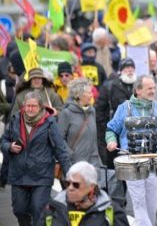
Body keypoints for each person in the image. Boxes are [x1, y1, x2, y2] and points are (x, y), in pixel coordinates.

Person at [106, 76, 157, 226]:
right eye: (149, 88)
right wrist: (111, 141)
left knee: (152, 204)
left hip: (155, 161)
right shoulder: (124, 108)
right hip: (132, 161)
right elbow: (111, 129)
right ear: (138, 90)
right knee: (138, 202)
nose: (153, 91)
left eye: (153, 88)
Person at [1, 91, 72, 226]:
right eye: (28, 105)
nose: (30, 109)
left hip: (41, 175)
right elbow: (3, 140)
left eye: (33, 106)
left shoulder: (49, 123)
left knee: (38, 209)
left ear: (40, 107)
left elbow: (60, 149)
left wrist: (69, 173)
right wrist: (9, 146)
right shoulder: (16, 119)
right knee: (19, 210)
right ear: (24, 106)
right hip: (19, 174)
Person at [40, 161, 130, 226]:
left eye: (76, 184)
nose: (70, 188)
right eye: (68, 183)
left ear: (91, 186)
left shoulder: (111, 212)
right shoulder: (52, 209)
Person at [58, 78, 102, 166]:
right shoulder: (66, 113)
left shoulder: (92, 110)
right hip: (76, 164)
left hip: (94, 163)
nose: (92, 95)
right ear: (79, 95)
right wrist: (71, 155)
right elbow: (59, 139)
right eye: (89, 93)